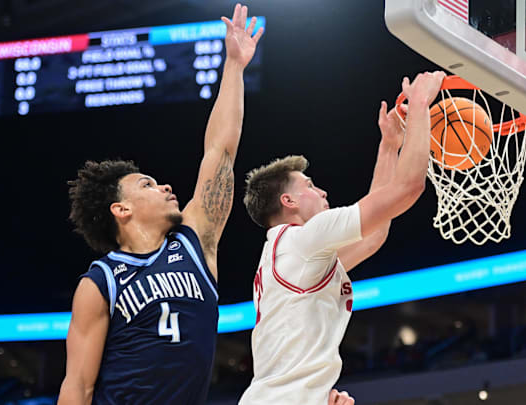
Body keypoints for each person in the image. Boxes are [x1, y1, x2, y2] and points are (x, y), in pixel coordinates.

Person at [57, 4, 263, 404]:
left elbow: (220, 152)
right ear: (122, 209)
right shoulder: (101, 282)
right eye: (147, 184)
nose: (166, 186)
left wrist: (234, 68)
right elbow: (77, 385)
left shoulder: (194, 242)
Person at [239, 71, 446, 405]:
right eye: (308, 185)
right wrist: (421, 104)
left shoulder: (290, 253)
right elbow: (407, 188)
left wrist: (390, 146)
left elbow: (372, 236)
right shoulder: (304, 240)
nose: (322, 191)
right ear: (288, 202)